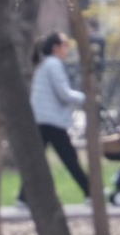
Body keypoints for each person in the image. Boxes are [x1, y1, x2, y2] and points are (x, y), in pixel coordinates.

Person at [21, 31, 90, 203]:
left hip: (43, 119)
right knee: (70, 158)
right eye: (65, 45)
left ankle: (23, 197)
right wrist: (85, 98)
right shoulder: (53, 65)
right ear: (55, 48)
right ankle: (91, 192)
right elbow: (64, 93)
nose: (67, 49)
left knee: (38, 161)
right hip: (51, 121)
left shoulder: (45, 65)